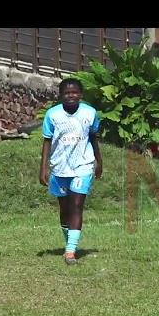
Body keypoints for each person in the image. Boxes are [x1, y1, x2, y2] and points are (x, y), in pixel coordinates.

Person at [39, 77, 103, 265]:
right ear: (60, 96)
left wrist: (99, 161)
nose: (71, 96)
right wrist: (43, 167)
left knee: (76, 205)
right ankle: (70, 243)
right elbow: (47, 141)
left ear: (81, 95)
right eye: (67, 93)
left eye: (74, 92)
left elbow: (93, 137)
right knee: (64, 208)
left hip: (82, 166)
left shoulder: (90, 113)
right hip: (60, 167)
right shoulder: (52, 115)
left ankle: (70, 253)